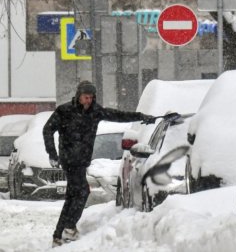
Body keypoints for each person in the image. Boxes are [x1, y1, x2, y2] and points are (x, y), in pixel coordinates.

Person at [43, 81, 155, 247]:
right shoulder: (64, 111)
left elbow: (118, 115)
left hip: (82, 160)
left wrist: (140, 117)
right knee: (81, 191)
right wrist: (52, 153)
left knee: (73, 196)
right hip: (69, 159)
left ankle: (60, 234)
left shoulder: (95, 112)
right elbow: (47, 129)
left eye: (91, 97)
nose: (88, 100)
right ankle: (68, 228)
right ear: (78, 96)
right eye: (85, 97)